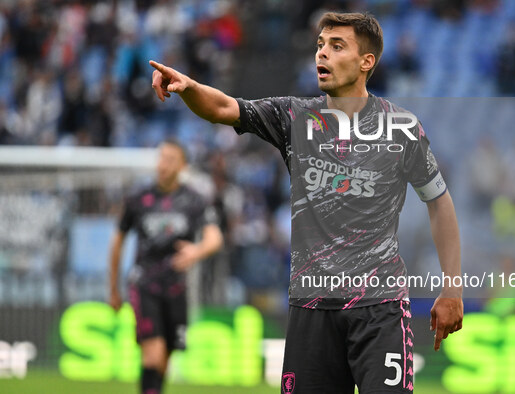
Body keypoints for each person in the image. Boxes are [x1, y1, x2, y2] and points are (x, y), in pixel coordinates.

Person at [150, 12, 462, 393]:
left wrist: (453, 288)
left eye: (336, 46)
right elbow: (223, 108)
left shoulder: (402, 128)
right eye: (319, 46)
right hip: (311, 307)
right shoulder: (295, 117)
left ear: (367, 62)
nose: (322, 55)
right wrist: (189, 86)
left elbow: (439, 203)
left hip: (379, 307)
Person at [108, 140, 223, 394]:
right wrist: (114, 289)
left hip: (176, 288)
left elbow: (215, 239)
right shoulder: (138, 199)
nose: (163, 164)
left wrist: (196, 250)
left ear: (182, 165)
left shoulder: (195, 200)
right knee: (153, 354)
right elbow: (117, 241)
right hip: (144, 284)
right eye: (161, 158)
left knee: (163, 361)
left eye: (170, 159)